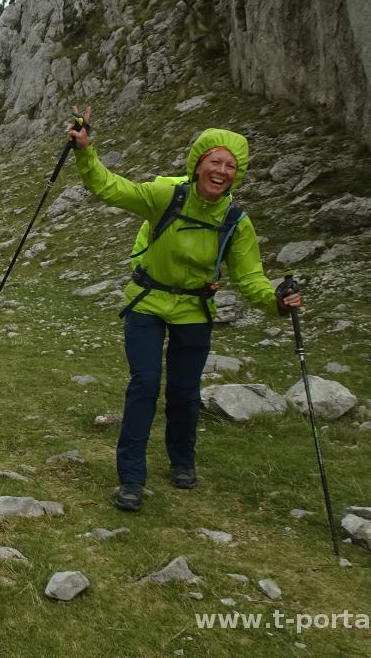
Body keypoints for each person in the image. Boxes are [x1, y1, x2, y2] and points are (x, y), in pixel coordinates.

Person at [67, 107, 302, 512]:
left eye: (230, 166)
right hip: (147, 302)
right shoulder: (166, 196)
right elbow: (111, 188)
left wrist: (276, 301)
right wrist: (86, 151)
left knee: (184, 391)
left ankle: (182, 461)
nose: (221, 171)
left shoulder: (236, 221)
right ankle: (131, 478)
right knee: (144, 384)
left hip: (194, 309)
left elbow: (250, 277)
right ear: (197, 164)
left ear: (237, 174)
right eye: (215, 161)